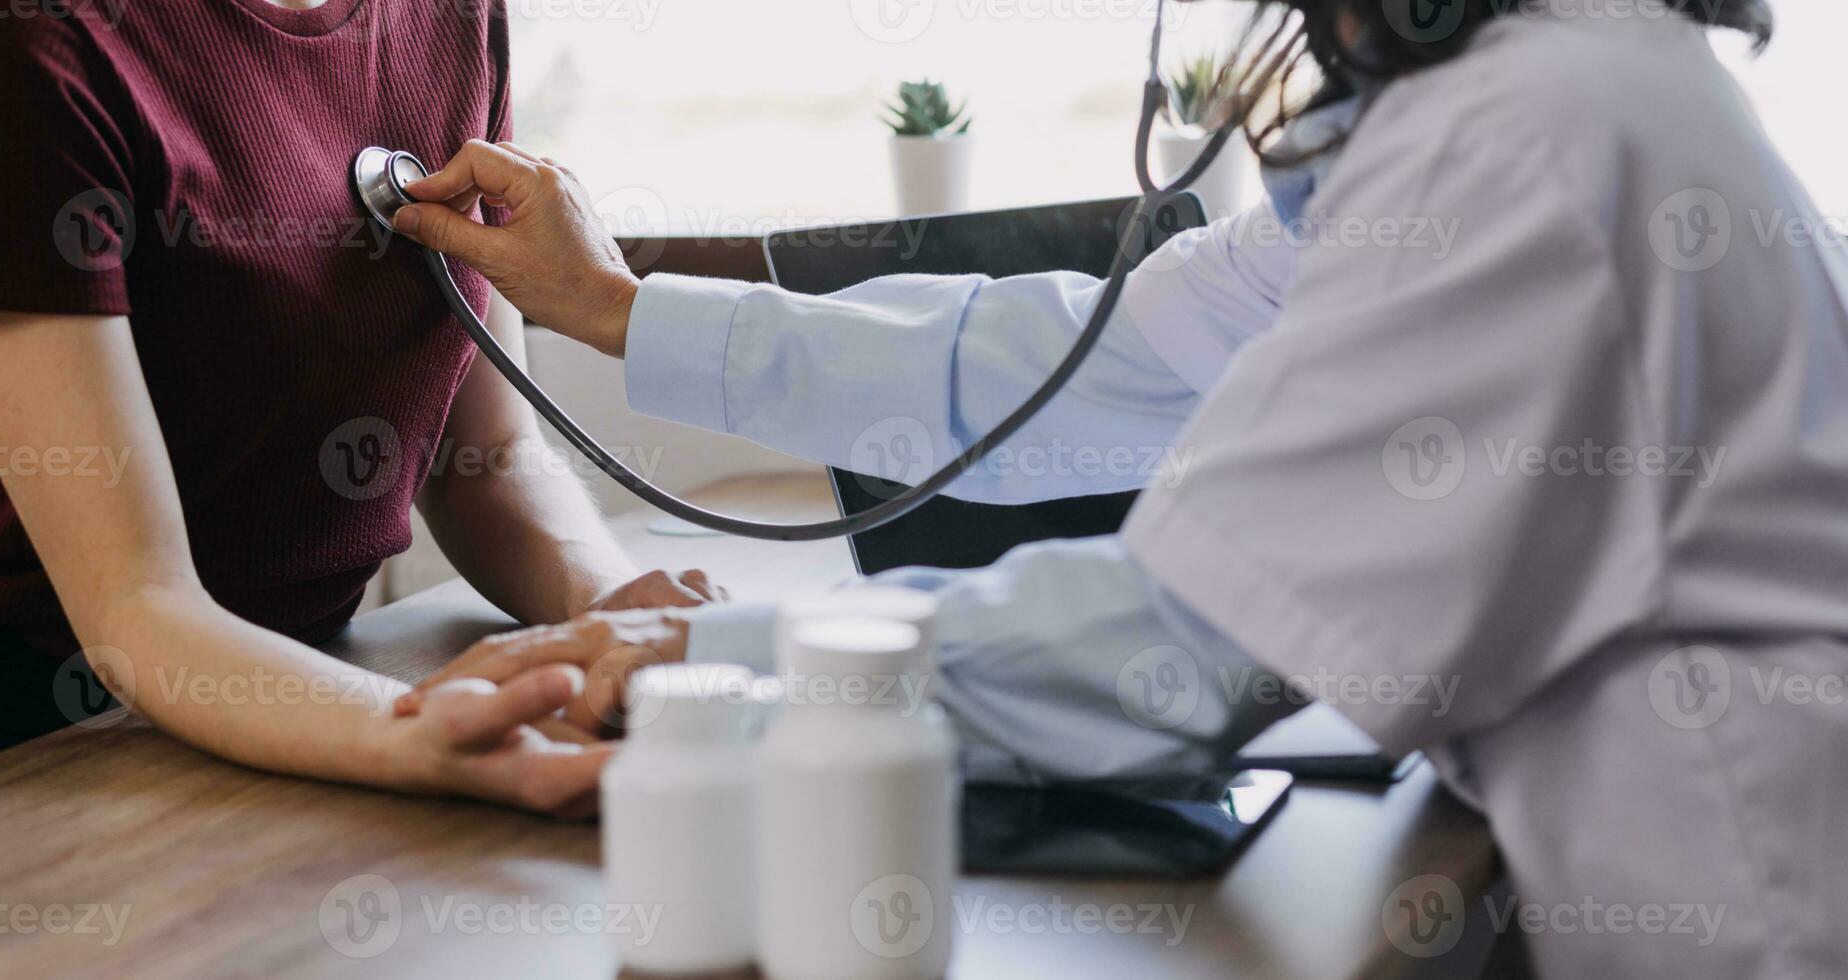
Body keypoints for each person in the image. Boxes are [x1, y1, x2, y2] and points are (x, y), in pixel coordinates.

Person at [390, 0, 1848, 974]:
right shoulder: (1534, 93)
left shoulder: (1536, 132)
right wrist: (622, 309)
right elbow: (1073, 370)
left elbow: (1173, 652)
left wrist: (699, 664)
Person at [0, 0, 715, 813]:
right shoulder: (20, 42)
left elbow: (486, 464)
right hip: (38, 747)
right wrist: (411, 730)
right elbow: (134, 604)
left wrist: (608, 613)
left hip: (314, 688)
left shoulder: (454, 18)